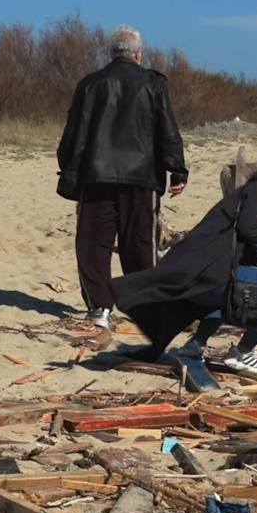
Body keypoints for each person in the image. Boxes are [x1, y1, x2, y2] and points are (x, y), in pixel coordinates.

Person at [56, 24, 188, 345]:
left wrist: (67, 166)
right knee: (140, 243)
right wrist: (177, 169)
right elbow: (167, 128)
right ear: (138, 53)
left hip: (96, 175)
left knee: (93, 244)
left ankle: (100, 307)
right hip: (141, 178)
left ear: (111, 53)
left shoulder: (90, 84)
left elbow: (75, 131)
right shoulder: (153, 83)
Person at [111, 168, 257, 375]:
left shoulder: (239, 205)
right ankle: (243, 351)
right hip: (210, 274)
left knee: (228, 299)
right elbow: (248, 227)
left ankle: (194, 347)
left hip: (204, 279)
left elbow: (247, 270)